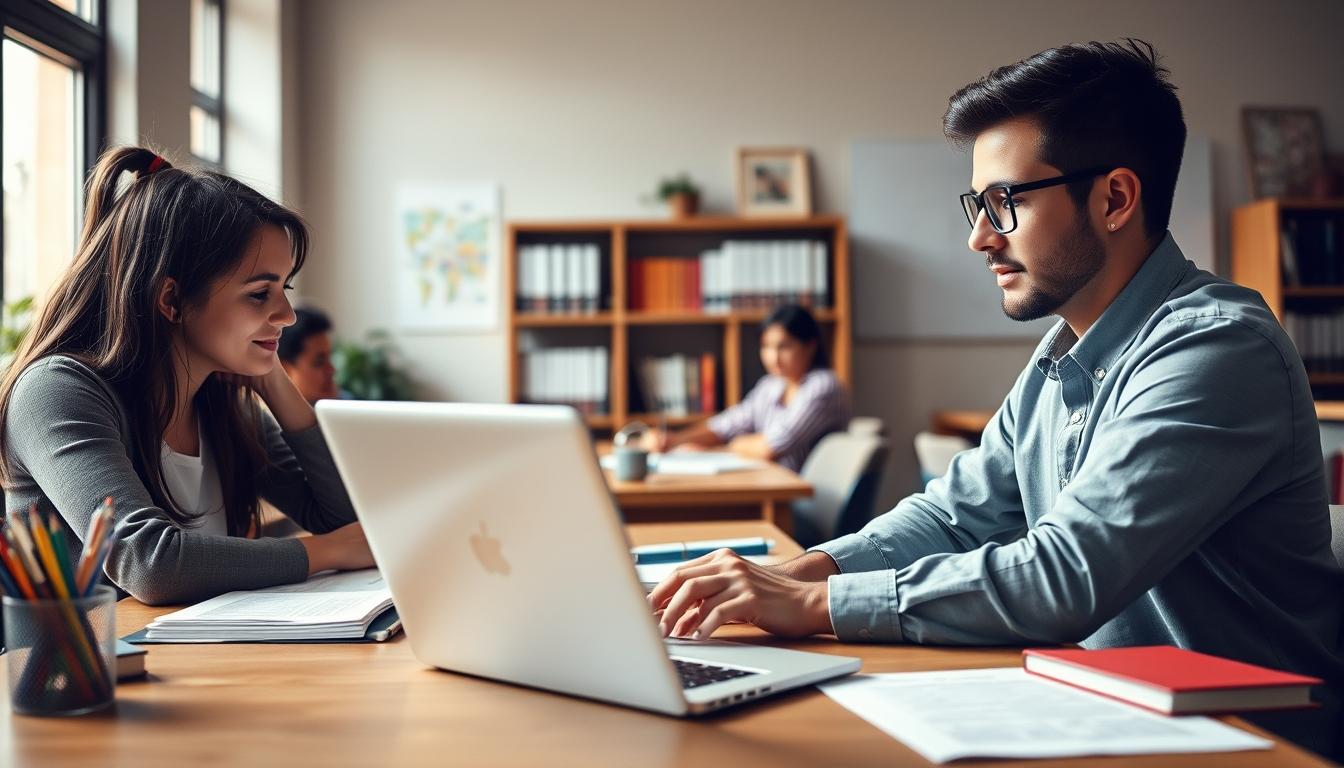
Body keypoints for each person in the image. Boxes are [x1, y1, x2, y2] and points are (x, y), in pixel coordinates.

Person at [648, 40, 1343, 757]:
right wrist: (801, 570)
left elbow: (1066, 572)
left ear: (1115, 199)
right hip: (1111, 712)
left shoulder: (1218, 348)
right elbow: (955, 515)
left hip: (1251, 743)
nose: (979, 236)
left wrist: (813, 604)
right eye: (976, 204)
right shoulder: (1061, 353)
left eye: (1004, 202)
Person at [0, 146, 375, 606]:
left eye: (284, 290)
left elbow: (346, 520)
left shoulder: (222, 404)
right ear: (171, 299)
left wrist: (275, 382)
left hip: (197, 664)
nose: (287, 315)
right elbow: (149, 564)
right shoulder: (57, 392)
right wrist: (325, 552)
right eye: (260, 294)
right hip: (88, 675)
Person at [641, 304, 849, 473]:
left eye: (784, 346)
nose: (773, 358)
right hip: (769, 484)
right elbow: (727, 425)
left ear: (810, 346)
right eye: (766, 347)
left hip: (800, 500)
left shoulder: (823, 386)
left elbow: (771, 447)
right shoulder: (771, 385)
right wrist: (674, 441)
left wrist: (725, 447)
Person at [279, 307, 341, 404]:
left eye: (330, 358)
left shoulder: (351, 405)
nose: (331, 369)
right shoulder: (261, 417)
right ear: (284, 370)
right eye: (319, 362)